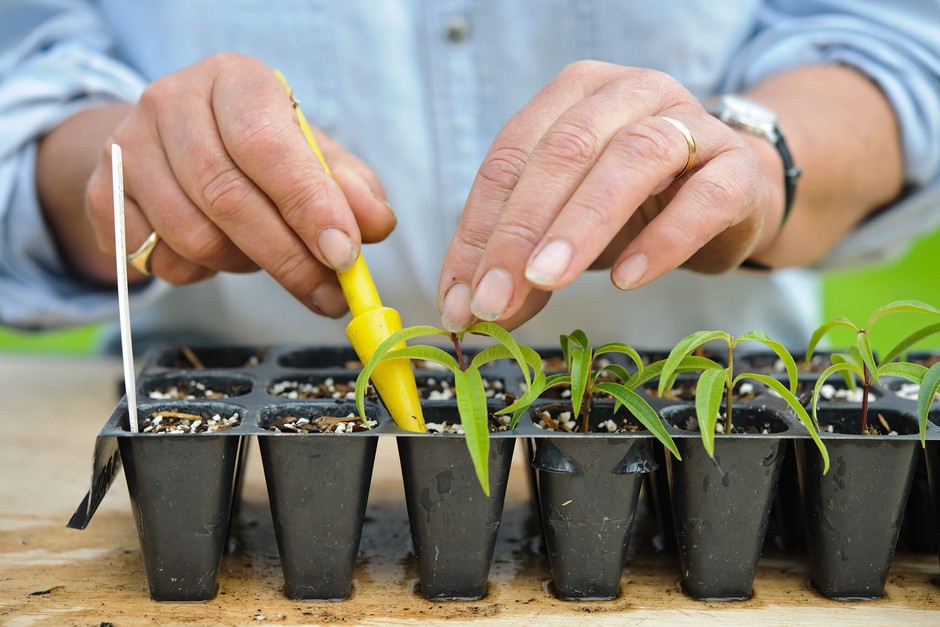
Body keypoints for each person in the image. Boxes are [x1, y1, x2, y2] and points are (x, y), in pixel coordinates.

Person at [1, 1, 938, 352]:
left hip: (711, 404)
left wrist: (760, 150)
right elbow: (23, 73)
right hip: (225, 416)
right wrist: (123, 166)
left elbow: (901, 41)